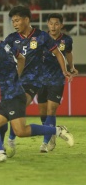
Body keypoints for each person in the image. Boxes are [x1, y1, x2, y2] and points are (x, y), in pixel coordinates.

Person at [0, 16, 74, 164]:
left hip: (13, 96)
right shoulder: (5, 45)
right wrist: (18, 75)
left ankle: (2, 151)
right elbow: (21, 58)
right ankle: (1, 151)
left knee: (8, 129)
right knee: (1, 128)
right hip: (13, 95)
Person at [0, 6, 73, 157]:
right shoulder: (12, 38)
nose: (14, 24)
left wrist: (66, 69)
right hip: (17, 80)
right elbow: (2, 53)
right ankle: (13, 138)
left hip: (34, 80)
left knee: (24, 106)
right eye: (13, 21)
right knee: (14, 109)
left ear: (26, 19)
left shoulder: (41, 36)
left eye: (17, 20)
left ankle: (41, 142)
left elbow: (58, 53)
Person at [37, 13, 79, 153]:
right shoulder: (41, 38)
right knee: (43, 112)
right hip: (41, 79)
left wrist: (71, 67)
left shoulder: (66, 40)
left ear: (61, 25)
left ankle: (45, 142)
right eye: (51, 23)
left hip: (57, 78)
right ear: (47, 24)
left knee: (51, 109)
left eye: (56, 24)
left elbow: (68, 54)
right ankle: (52, 132)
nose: (53, 26)